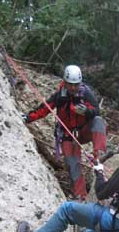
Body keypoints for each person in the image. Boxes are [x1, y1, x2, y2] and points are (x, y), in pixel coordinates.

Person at [23, 65, 106, 200]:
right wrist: (28, 118)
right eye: (70, 85)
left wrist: (86, 111)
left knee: (98, 121)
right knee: (73, 165)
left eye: (76, 85)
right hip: (68, 134)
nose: (73, 88)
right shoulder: (60, 96)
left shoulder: (85, 94)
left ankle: (99, 156)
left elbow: (96, 111)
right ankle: (80, 196)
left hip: (84, 131)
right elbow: (44, 109)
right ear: (65, 83)